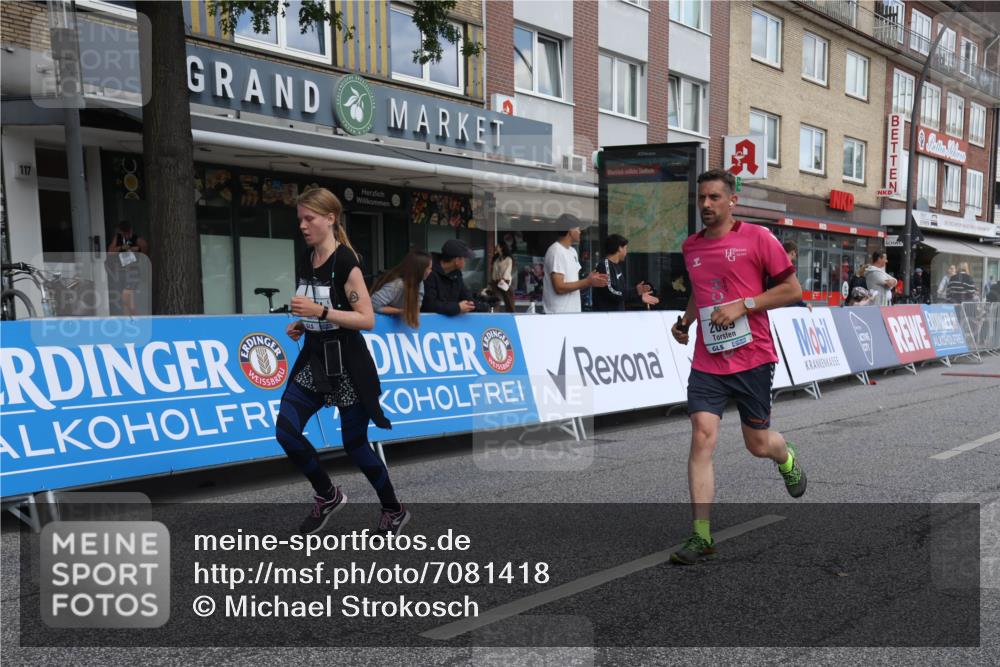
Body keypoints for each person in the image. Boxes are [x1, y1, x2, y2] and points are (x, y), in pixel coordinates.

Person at [669, 169, 806, 566]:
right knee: (702, 436)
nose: (706, 205)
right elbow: (701, 288)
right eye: (701, 198)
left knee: (757, 445)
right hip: (709, 359)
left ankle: (786, 457)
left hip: (753, 357)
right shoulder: (691, 246)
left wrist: (744, 305)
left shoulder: (758, 239)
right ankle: (701, 536)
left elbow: (792, 290)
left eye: (714, 198)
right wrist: (686, 321)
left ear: (733, 201)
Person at [280, 187, 408, 536]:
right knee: (286, 432)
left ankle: (393, 508)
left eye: (310, 219)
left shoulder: (346, 263)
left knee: (355, 445)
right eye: (300, 220)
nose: (303, 226)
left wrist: (320, 312)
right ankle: (327, 494)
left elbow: (366, 319)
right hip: (314, 358)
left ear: (330, 219)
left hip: (348, 364)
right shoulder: (307, 259)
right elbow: (317, 309)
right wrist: (303, 323)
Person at [542, 214, 608, 314]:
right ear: (570, 230)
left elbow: (573, 283)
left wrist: (590, 280)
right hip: (558, 315)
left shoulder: (572, 251)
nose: (580, 231)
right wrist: (588, 282)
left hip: (572, 313)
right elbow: (559, 287)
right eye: (578, 228)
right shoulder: (556, 251)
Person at [592, 233, 658, 311]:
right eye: (625, 248)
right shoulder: (604, 265)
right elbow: (612, 291)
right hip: (607, 318)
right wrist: (635, 291)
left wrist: (639, 297)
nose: (626, 252)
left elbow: (622, 294)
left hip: (618, 316)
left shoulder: (617, 266)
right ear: (620, 248)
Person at [371, 250, 432, 328]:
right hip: (380, 325)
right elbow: (373, 305)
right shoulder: (396, 285)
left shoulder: (419, 282)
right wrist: (399, 312)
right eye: (429, 268)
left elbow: (417, 305)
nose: (431, 271)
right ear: (420, 269)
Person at [422, 239, 480, 315]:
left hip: (451, 324)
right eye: (464, 258)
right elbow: (429, 305)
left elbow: (466, 295)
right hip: (430, 324)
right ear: (456, 260)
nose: (465, 261)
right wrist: (457, 308)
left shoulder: (457, 274)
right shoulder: (429, 272)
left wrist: (484, 306)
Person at [106, 221, 148, 316]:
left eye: (128, 233)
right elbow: (110, 252)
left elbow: (145, 247)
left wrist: (137, 250)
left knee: (127, 299)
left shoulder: (136, 239)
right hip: (120, 272)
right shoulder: (118, 238)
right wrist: (121, 247)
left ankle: (139, 322)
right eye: (124, 233)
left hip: (132, 272)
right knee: (124, 302)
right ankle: (127, 323)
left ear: (131, 231)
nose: (126, 235)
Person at [766, 240, 811, 310]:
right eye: (796, 255)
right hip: (783, 308)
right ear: (793, 253)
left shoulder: (773, 264)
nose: (795, 259)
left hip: (773, 307)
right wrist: (803, 305)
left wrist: (803, 305)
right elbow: (792, 292)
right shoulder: (786, 268)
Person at [488, 241, 516, 313]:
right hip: (495, 281)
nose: (496, 248)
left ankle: (511, 314)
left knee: (509, 299)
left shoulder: (508, 259)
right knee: (496, 299)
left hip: (504, 281)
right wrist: (492, 281)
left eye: (497, 246)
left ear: (502, 247)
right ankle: (494, 314)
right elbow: (493, 271)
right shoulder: (496, 259)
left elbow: (508, 270)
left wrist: (503, 279)